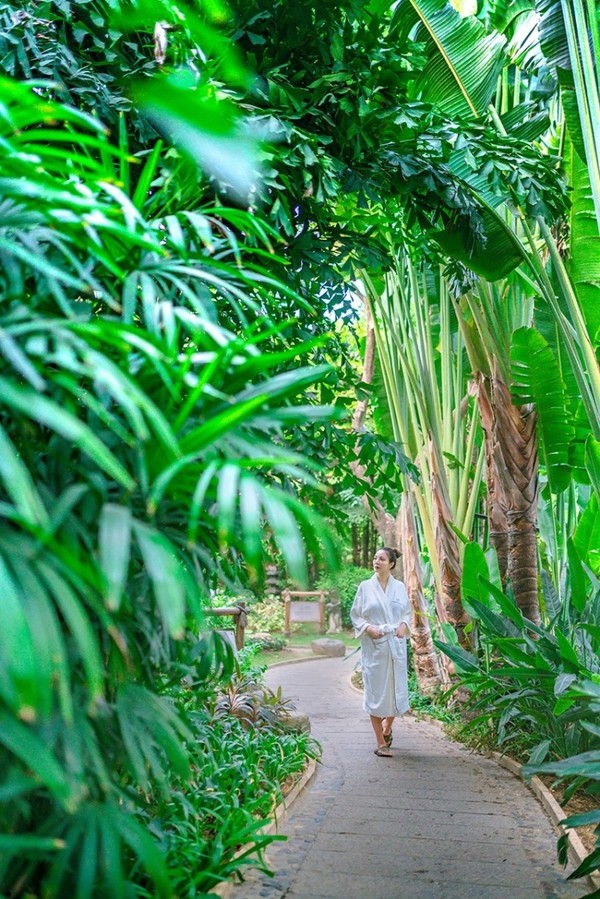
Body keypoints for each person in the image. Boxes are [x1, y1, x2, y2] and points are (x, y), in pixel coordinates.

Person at [351, 547, 411, 758]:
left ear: (391, 564)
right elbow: (356, 615)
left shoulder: (400, 587)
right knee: (376, 694)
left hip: (395, 645)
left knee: (396, 691)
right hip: (375, 646)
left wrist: (403, 625)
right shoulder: (365, 587)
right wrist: (368, 628)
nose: (377, 561)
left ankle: (387, 729)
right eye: (375, 558)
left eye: (382, 559)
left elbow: (407, 612)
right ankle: (380, 742)